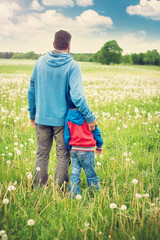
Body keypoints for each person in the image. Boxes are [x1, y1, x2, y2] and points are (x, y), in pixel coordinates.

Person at [27, 30, 97, 188]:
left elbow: (31, 91)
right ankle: (60, 189)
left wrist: (33, 113)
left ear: (53, 44)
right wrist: (90, 117)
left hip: (41, 118)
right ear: (69, 45)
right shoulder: (73, 66)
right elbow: (78, 96)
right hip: (62, 121)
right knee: (63, 155)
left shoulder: (39, 62)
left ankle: (38, 187)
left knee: (42, 153)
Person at [64, 93, 103, 197]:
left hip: (74, 150)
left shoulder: (68, 116)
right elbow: (96, 132)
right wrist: (99, 145)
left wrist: (69, 147)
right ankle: (96, 192)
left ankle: (73, 194)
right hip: (87, 150)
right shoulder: (88, 115)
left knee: (74, 173)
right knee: (90, 172)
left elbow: (67, 135)